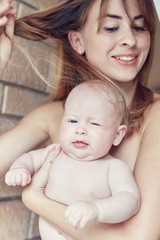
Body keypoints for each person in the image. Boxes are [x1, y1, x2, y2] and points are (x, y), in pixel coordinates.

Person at [0, 0, 160, 239]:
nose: (131, 40)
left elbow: (139, 237)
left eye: (140, 27)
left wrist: (34, 198)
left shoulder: (155, 114)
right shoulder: (52, 115)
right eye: (111, 27)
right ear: (77, 41)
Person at [5, 80, 140, 240]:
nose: (80, 130)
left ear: (117, 135)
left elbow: (130, 200)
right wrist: (19, 168)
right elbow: (29, 159)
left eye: (94, 123)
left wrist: (96, 209)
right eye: (73, 121)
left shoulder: (113, 167)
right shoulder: (55, 151)